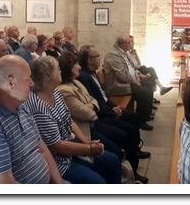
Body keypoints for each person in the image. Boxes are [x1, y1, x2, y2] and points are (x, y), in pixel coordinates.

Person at [0, 55, 63, 184]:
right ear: (11, 83)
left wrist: (60, 184)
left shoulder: (19, 104)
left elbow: (41, 148)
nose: (32, 84)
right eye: (28, 80)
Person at [23, 56, 121, 184]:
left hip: (71, 150)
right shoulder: (38, 105)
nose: (61, 72)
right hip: (58, 162)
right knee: (97, 181)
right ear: (48, 76)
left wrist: (87, 142)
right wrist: (89, 150)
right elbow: (57, 146)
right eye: (57, 69)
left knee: (111, 160)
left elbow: (68, 119)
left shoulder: (56, 93)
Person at [60, 50, 148, 183]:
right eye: (75, 64)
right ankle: (126, 173)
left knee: (132, 124)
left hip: (97, 118)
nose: (78, 67)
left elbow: (94, 100)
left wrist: (95, 106)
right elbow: (88, 112)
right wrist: (96, 107)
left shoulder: (76, 82)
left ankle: (132, 164)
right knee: (120, 142)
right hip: (90, 127)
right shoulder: (68, 87)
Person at [103, 35, 154, 131]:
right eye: (128, 43)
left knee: (148, 85)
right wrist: (135, 81)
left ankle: (145, 116)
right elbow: (121, 76)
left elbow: (133, 67)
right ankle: (141, 121)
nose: (130, 44)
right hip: (117, 86)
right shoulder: (113, 55)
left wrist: (138, 76)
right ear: (122, 44)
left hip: (128, 81)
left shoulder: (124, 53)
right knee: (144, 92)